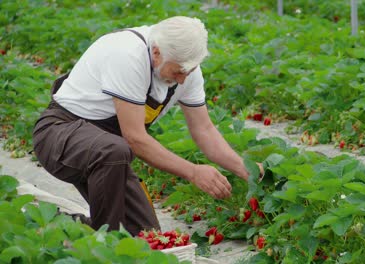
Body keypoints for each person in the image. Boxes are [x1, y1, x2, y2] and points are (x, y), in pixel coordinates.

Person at [32, 16, 262, 236]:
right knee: (115, 153)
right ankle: (104, 243)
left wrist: (247, 170)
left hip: (108, 153)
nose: (182, 79)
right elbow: (134, 139)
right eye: (178, 72)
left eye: (188, 72)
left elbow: (204, 130)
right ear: (156, 52)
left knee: (145, 237)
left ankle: (62, 226)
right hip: (60, 134)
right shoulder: (128, 55)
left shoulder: (186, 68)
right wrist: (193, 172)